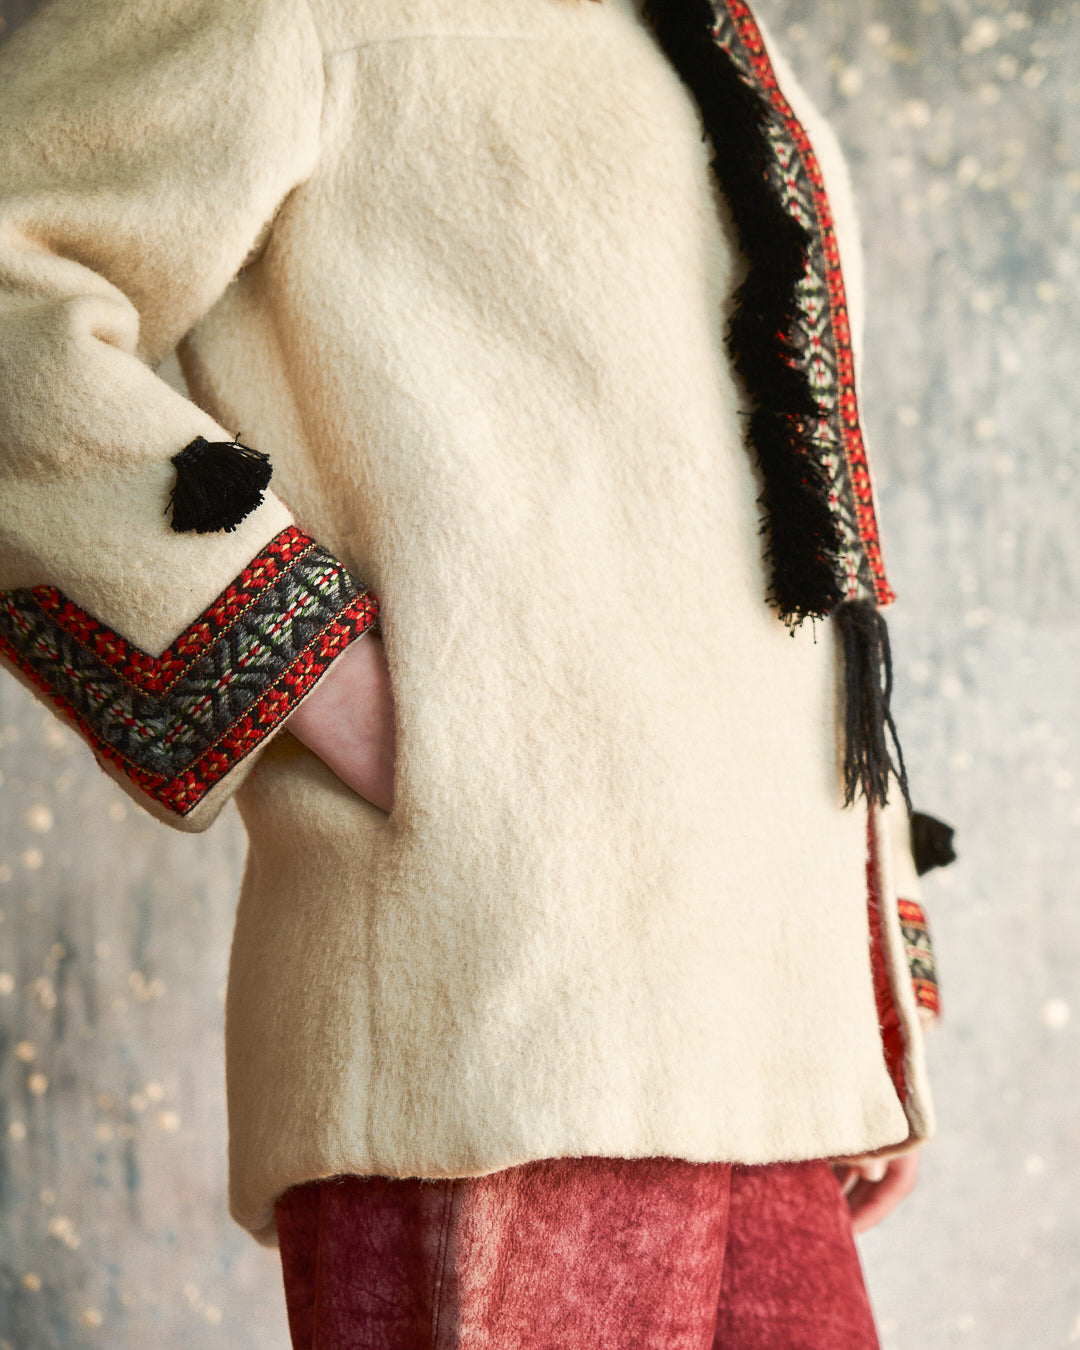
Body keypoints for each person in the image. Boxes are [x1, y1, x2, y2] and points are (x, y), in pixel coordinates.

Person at [0, 0, 942, 1344]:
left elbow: (779, 541)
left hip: (775, 1047)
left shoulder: (710, 30)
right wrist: (318, 676)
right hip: (496, 1014)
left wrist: (875, 989)